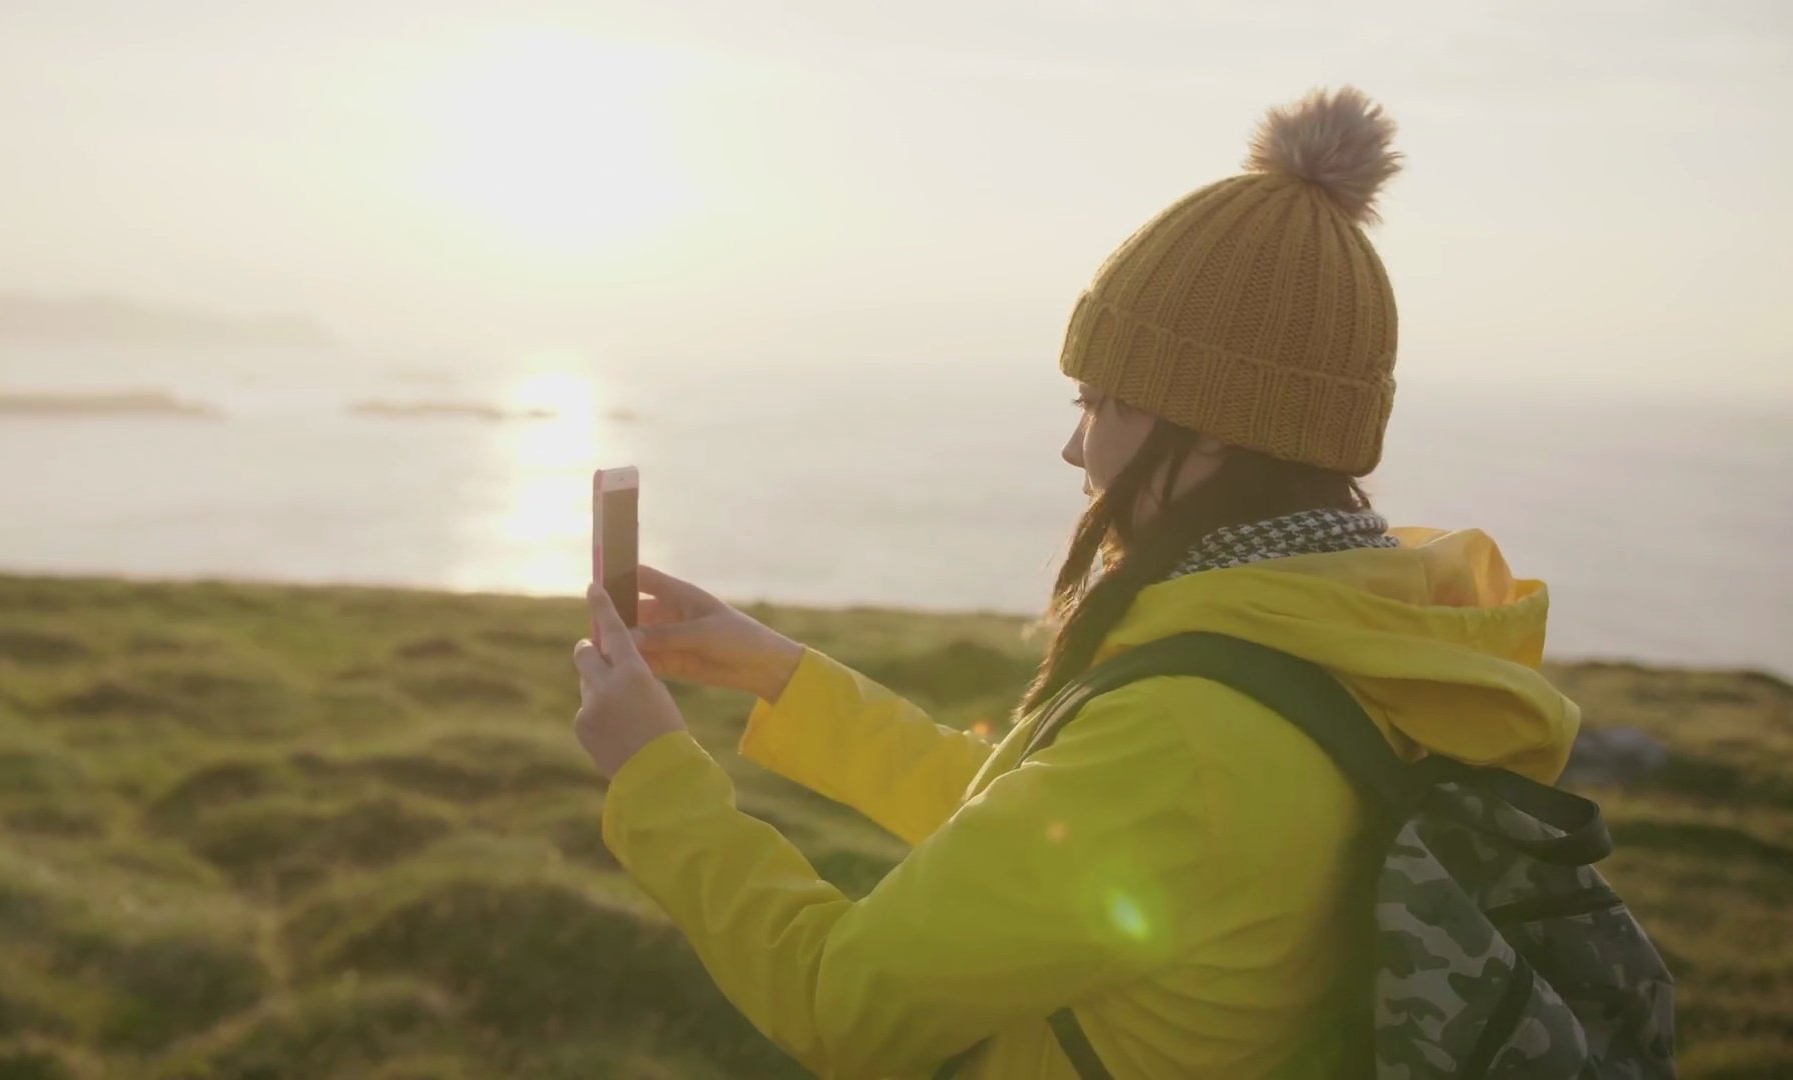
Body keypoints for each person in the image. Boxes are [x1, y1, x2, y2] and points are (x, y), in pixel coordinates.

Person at [570, 86, 1580, 1078]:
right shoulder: (1345, 633)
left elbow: (843, 1005)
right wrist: (786, 679)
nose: (1073, 446)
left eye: (1101, 400)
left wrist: (654, 772)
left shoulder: (1190, 732)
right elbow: (1049, 840)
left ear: (1219, 424)